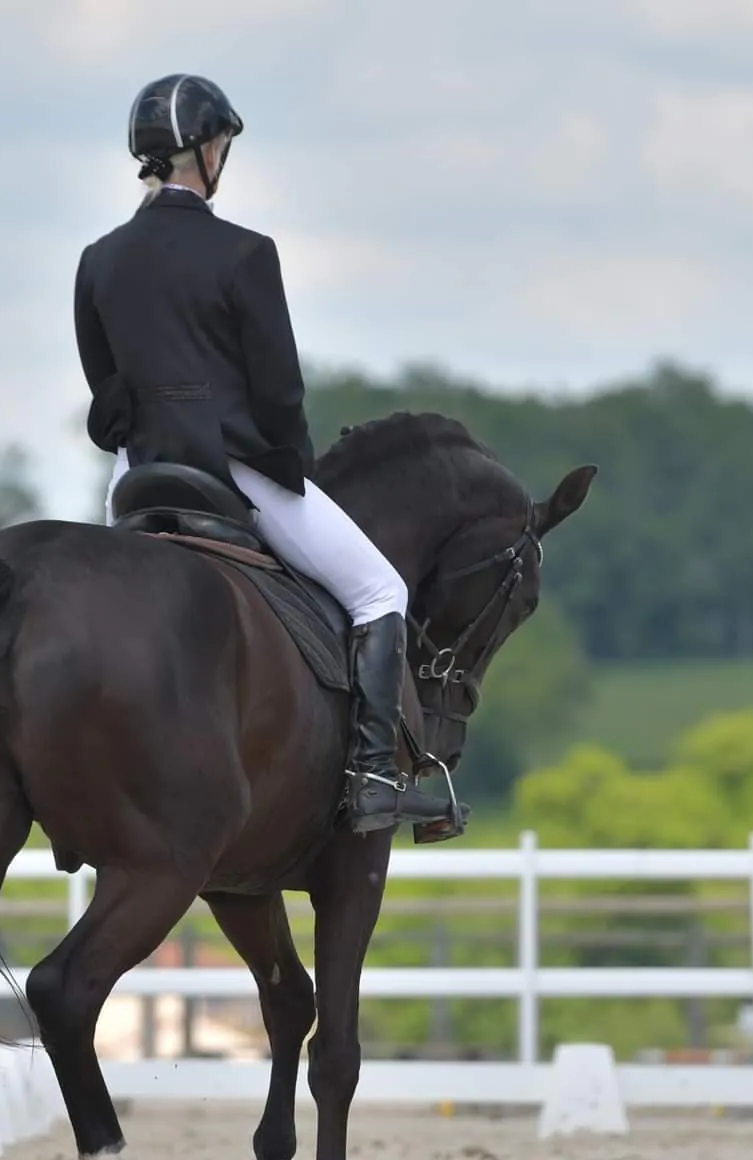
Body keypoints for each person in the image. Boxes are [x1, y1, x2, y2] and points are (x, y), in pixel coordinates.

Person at [73, 73, 454, 834]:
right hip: (232, 469)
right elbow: (279, 392)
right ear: (208, 150)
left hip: (138, 475)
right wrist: (291, 460)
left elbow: (105, 390)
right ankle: (374, 775)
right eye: (222, 146)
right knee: (380, 593)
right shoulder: (246, 253)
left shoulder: (98, 259)